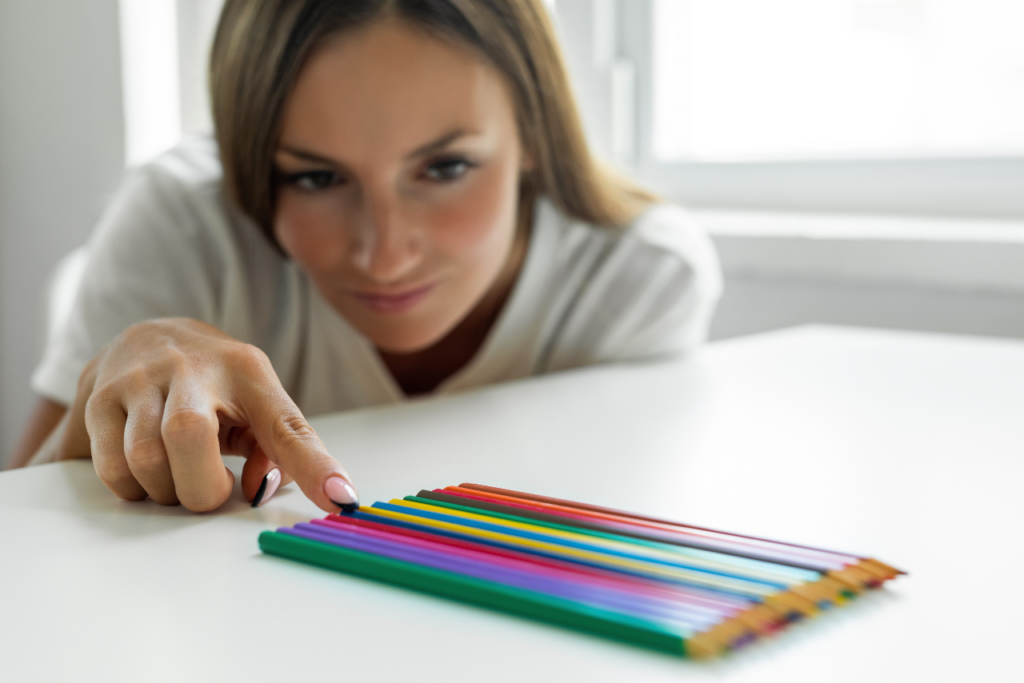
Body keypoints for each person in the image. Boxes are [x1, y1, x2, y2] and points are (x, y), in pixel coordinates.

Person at [10, 0, 721, 514]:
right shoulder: (181, 225)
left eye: (445, 168)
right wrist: (105, 395)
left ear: (535, 131)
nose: (384, 254)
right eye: (316, 177)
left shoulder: (640, 277)